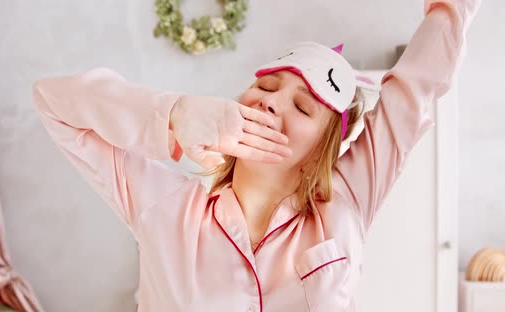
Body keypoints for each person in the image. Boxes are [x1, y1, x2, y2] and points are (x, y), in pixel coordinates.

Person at [32, 0, 480, 310]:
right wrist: (174, 113)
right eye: (266, 87)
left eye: (303, 107)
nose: (270, 103)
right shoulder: (163, 206)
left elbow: (418, 85)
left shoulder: (347, 199)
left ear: (318, 152)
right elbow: (54, 100)